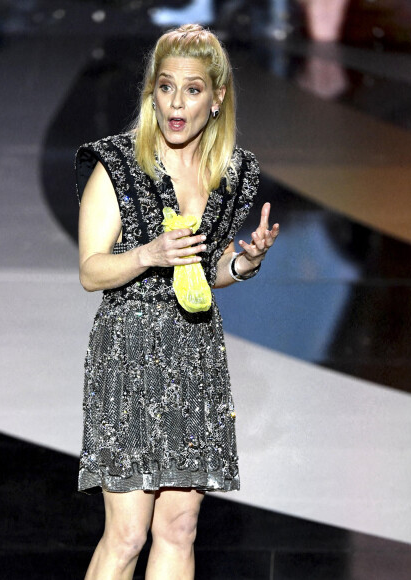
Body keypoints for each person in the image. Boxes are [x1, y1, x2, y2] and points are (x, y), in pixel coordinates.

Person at [75, 23, 279, 579]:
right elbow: (92, 271)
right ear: (151, 92)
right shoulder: (118, 166)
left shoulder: (230, 173)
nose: (176, 103)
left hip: (195, 354)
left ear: (217, 99)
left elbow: (202, 273)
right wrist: (148, 253)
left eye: (192, 89)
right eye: (166, 87)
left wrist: (243, 263)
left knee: (179, 528)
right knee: (127, 533)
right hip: (130, 354)